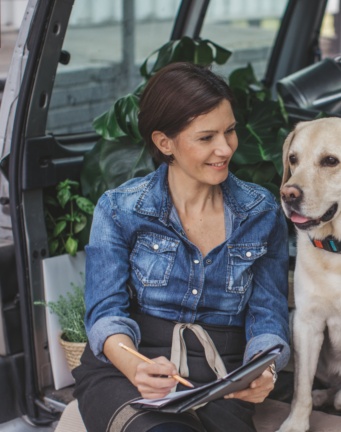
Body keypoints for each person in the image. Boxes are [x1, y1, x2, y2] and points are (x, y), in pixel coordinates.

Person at [72, 62, 290, 432]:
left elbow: (268, 315)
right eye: (206, 138)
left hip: (223, 376)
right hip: (133, 370)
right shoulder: (119, 209)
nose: (225, 148)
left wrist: (265, 369)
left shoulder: (263, 212)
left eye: (230, 131)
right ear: (164, 142)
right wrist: (137, 368)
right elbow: (105, 314)